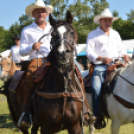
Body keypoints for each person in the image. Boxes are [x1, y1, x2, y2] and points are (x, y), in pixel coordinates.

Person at [86, 8, 129, 129]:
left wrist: (125, 55)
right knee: (96, 87)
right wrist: (101, 58)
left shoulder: (115, 34)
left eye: (110, 20)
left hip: (117, 64)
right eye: (105, 20)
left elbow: (121, 49)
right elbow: (89, 52)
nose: (108, 22)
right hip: (100, 66)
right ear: (100, 21)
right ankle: (97, 115)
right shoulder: (93, 34)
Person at [18, 0, 53, 128]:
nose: (41, 13)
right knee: (30, 80)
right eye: (37, 11)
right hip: (36, 61)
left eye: (43, 11)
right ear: (33, 14)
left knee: (74, 75)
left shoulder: (53, 28)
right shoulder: (27, 30)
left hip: (53, 60)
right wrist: (31, 47)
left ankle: (83, 111)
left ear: (47, 14)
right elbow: (21, 52)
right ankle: (25, 114)